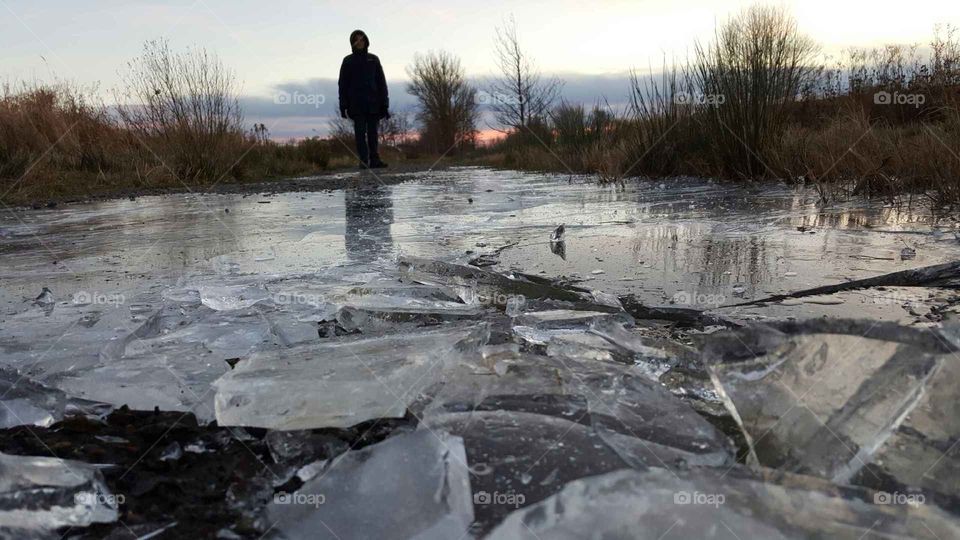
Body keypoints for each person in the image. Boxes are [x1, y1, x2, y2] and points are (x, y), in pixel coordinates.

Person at [338, 30, 390, 169]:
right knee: (360, 133)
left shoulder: (374, 59)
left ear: (366, 41)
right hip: (356, 104)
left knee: (373, 133)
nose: (359, 42)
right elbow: (342, 84)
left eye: (362, 39)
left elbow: (381, 82)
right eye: (356, 40)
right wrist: (343, 105)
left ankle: (375, 160)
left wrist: (385, 104)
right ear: (352, 43)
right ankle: (363, 160)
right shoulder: (348, 61)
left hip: (374, 103)